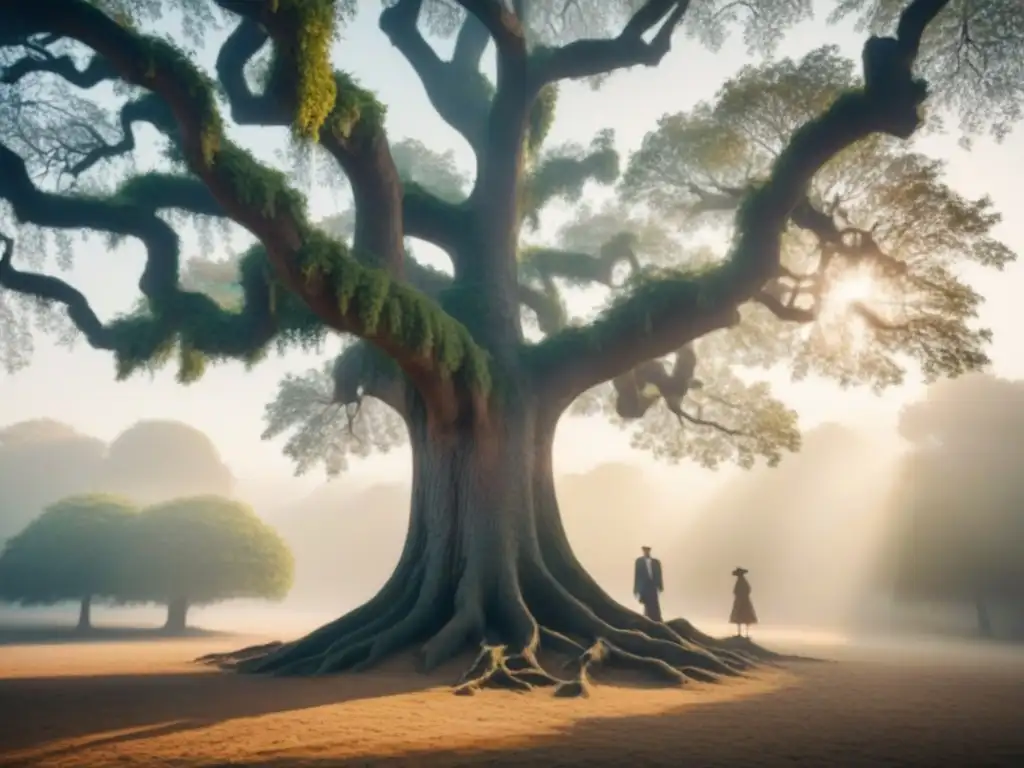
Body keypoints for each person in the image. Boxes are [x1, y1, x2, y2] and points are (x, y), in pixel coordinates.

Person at [633, 545, 664, 622]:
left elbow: (659, 574)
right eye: (644, 550)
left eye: (647, 550)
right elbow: (637, 575)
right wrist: (636, 589)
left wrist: (660, 586)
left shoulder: (655, 562)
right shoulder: (639, 562)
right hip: (644, 586)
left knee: (654, 602)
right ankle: (647, 619)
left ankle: (657, 619)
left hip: (653, 585)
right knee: (646, 603)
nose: (646, 552)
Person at [730, 567, 758, 638]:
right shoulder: (741, 581)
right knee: (743, 617)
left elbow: (746, 590)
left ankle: (743, 634)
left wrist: (741, 595)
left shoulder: (741, 581)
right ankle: (742, 633)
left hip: (742, 601)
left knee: (742, 616)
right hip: (742, 600)